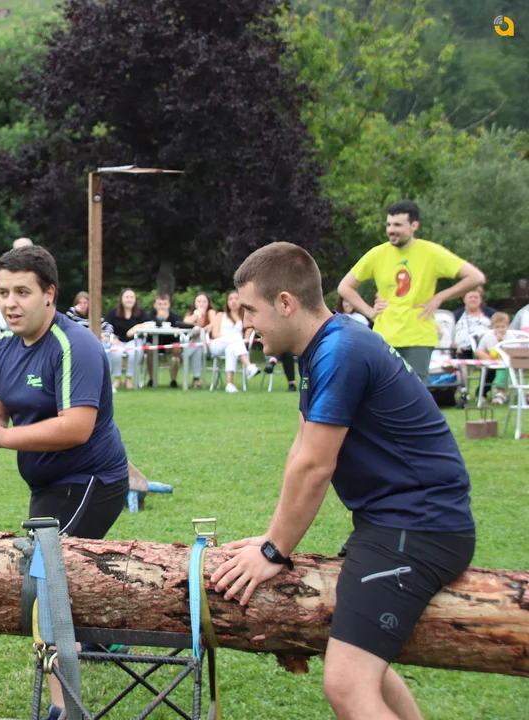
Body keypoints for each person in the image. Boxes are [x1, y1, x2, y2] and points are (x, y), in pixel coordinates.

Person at [212, 242, 475, 720]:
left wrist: (273, 551)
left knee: (347, 685)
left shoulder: (340, 350)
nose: (246, 323)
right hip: (396, 523)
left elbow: (316, 467)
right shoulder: (323, 347)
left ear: (286, 303)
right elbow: (301, 452)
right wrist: (271, 539)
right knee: (364, 667)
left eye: (250, 310)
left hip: (419, 528)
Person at [0, 245, 129, 720]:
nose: (10, 303)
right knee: (58, 572)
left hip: (91, 480)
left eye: (22, 292)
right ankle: (101, 638)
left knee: (45, 580)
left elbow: (76, 427)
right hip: (48, 486)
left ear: (49, 295)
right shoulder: (3, 346)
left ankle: (64, 710)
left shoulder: (75, 345)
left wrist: (2, 438)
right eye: (3, 293)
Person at [338, 200, 486, 383]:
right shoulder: (377, 254)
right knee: (383, 392)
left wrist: (440, 297)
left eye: (397, 225)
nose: (391, 230)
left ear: (414, 226)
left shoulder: (430, 252)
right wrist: (369, 311)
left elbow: (476, 277)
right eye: (389, 225)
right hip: (385, 336)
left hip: (418, 337)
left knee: (414, 394)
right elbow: (344, 287)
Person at [208, 290, 260, 392]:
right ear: (227, 302)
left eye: (236, 298)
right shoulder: (220, 315)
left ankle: (230, 384)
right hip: (218, 343)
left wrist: (246, 336)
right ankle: (249, 366)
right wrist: (231, 338)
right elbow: (215, 334)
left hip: (234, 347)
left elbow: (249, 331)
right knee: (236, 338)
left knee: (231, 349)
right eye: (231, 299)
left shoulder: (244, 316)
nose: (233, 301)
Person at [106, 288, 148, 390]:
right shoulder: (113, 312)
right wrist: (113, 338)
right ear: (121, 299)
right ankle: (117, 379)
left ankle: (129, 379)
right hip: (118, 340)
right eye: (127, 297)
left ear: (135, 299)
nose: (129, 299)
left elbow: (148, 323)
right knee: (115, 352)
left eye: (132, 297)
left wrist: (135, 328)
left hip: (134, 341)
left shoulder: (141, 312)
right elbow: (106, 326)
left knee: (134, 352)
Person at [182, 292, 217, 389]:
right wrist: (197, 314)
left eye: (204, 301)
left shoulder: (211, 312)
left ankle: (183, 355)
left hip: (209, 344)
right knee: (197, 349)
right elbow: (185, 322)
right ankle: (196, 379)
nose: (201, 304)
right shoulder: (191, 313)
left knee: (198, 342)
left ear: (208, 303)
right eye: (199, 301)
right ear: (195, 303)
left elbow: (214, 323)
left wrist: (202, 330)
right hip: (197, 345)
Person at [150, 293, 186, 388]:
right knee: (149, 348)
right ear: (155, 305)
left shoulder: (175, 316)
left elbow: (180, 329)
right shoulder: (150, 315)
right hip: (154, 344)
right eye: (159, 304)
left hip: (170, 344)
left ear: (169, 305)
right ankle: (152, 379)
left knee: (176, 348)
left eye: (165, 304)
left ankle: (173, 380)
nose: (162, 307)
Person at [475, 312, 511, 405]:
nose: (500, 329)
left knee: (502, 369)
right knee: (489, 372)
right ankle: (481, 393)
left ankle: (500, 393)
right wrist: (490, 359)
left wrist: (501, 341)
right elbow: (479, 351)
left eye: (503, 327)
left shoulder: (510, 337)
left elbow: (514, 351)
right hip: (491, 361)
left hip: (506, 363)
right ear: (492, 327)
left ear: (507, 326)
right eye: (497, 327)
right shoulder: (488, 337)